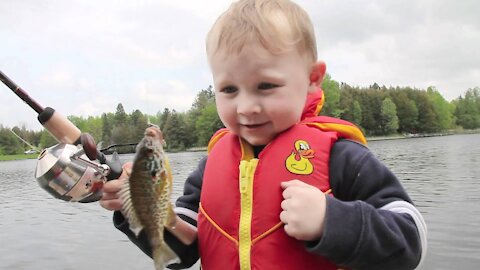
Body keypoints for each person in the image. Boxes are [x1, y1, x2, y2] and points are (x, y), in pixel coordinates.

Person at [100, 0, 427, 269]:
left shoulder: (344, 157)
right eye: (229, 89)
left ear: (313, 78)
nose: (246, 107)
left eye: (266, 86)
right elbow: (183, 251)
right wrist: (136, 209)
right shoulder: (210, 165)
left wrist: (332, 220)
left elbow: (411, 242)